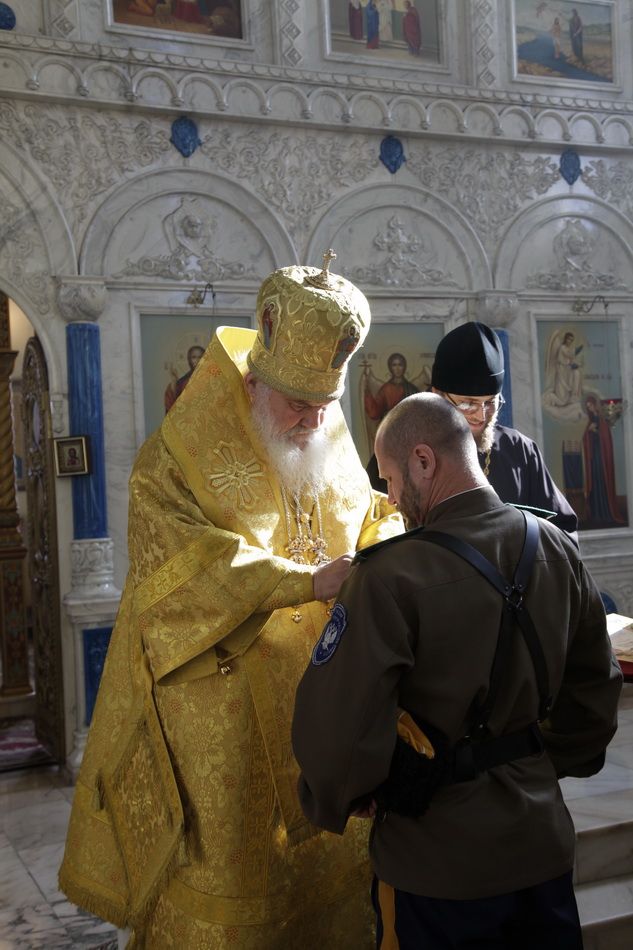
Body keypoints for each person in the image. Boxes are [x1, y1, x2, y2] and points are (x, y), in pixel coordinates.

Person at [58, 258, 402, 948]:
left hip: (325, 703)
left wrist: (387, 548)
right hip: (226, 718)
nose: (314, 419)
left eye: (325, 403)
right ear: (253, 383)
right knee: (238, 896)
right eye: (298, 403)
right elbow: (179, 571)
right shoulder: (174, 460)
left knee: (332, 882)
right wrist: (304, 582)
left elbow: (370, 512)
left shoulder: (325, 435)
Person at [292, 392, 622, 949]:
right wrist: (532, 763)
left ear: (424, 460)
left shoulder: (389, 577)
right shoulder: (555, 547)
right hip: (540, 845)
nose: (390, 498)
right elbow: (594, 693)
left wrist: (347, 793)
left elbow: (338, 729)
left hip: (437, 866)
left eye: (391, 478)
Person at [367, 321, 579, 539]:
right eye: (468, 404)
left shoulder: (520, 451)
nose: (481, 416)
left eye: (491, 402)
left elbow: (564, 534)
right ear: (437, 395)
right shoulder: (396, 452)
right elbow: (374, 538)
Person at [582, 393, 625, 526]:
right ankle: (596, 514)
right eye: (587, 407)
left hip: (602, 457)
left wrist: (596, 432)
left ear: (595, 405)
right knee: (595, 482)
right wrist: (589, 432)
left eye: (590, 405)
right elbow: (585, 438)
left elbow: (605, 439)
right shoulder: (591, 421)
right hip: (594, 457)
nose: (589, 408)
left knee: (603, 481)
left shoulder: (602, 421)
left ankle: (606, 513)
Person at [163, 343, 205, 413]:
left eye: (200, 357)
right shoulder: (183, 382)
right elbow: (172, 404)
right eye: (194, 357)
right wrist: (174, 382)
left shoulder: (212, 379)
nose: (197, 360)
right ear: (189, 359)